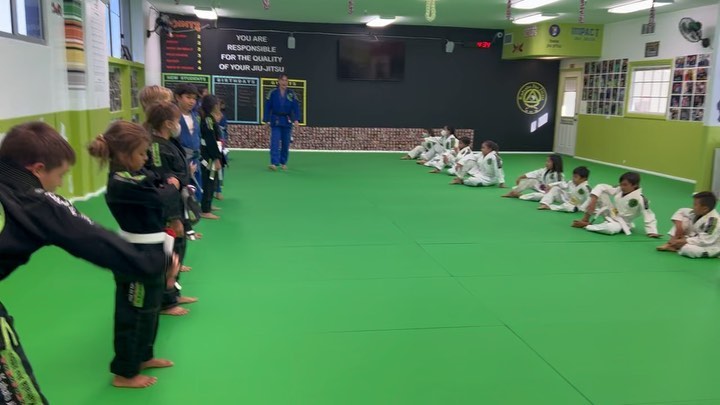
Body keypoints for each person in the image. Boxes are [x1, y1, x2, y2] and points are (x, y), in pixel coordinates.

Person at [0, 122, 179, 400]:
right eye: (60, 175)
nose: (60, 184)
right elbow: (92, 238)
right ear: (37, 169)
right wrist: (157, 265)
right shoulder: (34, 201)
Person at [88, 121, 183, 388]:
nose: (145, 158)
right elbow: (160, 197)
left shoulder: (136, 175)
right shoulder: (122, 183)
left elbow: (154, 179)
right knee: (134, 311)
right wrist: (173, 185)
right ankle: (125, 372)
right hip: (135, 256)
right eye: (141, 153)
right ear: (123, 154)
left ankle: (143, 356)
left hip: (154, 247)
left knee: (150, 307)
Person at [145, 101, 200, 315]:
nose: (179, 125)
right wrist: (174, 217)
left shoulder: (169, 142)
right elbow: (164, 182)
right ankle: (165, 301)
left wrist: (184, 175)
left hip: (177, 202)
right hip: (167, 208)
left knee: (178, 250)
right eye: (176, 121)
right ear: (168, 123)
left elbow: (176, 175)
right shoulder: (157, 147)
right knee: (170, 253)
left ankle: (174, 293)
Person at [571, 171, 660, 237]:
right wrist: (593, 201)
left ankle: (588, 226)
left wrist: (652, 231)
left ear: (635, 185)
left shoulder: (640, 198)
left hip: (622, 222)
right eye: (621, 184)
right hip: (612, 213)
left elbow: (649, 215)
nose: (622, 187)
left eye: (625, 185)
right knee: (598, 193)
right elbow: (601, 186)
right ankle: (585, 219)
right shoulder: (619, 189)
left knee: (611, 229)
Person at [657, 191, 720, 258]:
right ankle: (672, 243)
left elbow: (704, 240)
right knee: (684, 220)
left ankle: (676, 246)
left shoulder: (713, 221)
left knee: (687, 249)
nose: (692, 207)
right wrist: (679, 228)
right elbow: (681, 211)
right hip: (695, 237)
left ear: (705, 209)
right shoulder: (698, 212)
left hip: (710, 245)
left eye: (695, 205)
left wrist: (684, 240)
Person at [263, 73, 300, 171]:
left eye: (286, 80)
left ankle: (283, 162)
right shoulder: (272, 93)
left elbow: (296, 107)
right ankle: (274, 163)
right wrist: (266, 120)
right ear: (279, 81)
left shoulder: (291, 94)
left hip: (287, 120)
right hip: (275, 120)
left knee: (286, 142)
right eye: (283, 80)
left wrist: (296, 119)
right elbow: (267, 107)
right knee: (275, 142)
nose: (284, 82)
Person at [174, 84, 202, 201]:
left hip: (195, 159)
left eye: (194, 98)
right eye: (188, 97)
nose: (192, 101)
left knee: (195, 193)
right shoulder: (172, 116)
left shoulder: (196, 116)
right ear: (178, 97)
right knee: (182, 194)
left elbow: (198, 136)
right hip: (180, 160)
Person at [199, 95, 223, 219]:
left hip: (211, 153)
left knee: (212, 180)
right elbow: (210, 140)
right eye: (217, 104)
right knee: (209, 180)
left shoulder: (210, 118)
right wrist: (216, 158)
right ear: (212, 105)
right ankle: (205, 209)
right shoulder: (208, 119)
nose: (218, 106)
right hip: (208, 155)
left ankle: (208, 204)